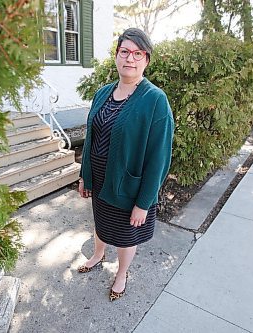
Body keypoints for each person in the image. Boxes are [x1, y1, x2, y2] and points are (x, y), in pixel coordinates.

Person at [77, 28, 174, 302]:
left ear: (146, 60)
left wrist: (144, 202)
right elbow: (91, 137)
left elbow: (159, 157)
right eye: (124, 52)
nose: (130, 58)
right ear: (117, 56)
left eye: (137, 53)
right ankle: (98, 253)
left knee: (124, 235)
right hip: (100, 181)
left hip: (128, 188)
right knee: (100, 222)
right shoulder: (103, 93)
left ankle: (122, 273)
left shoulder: (155, 100)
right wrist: (85, 176)